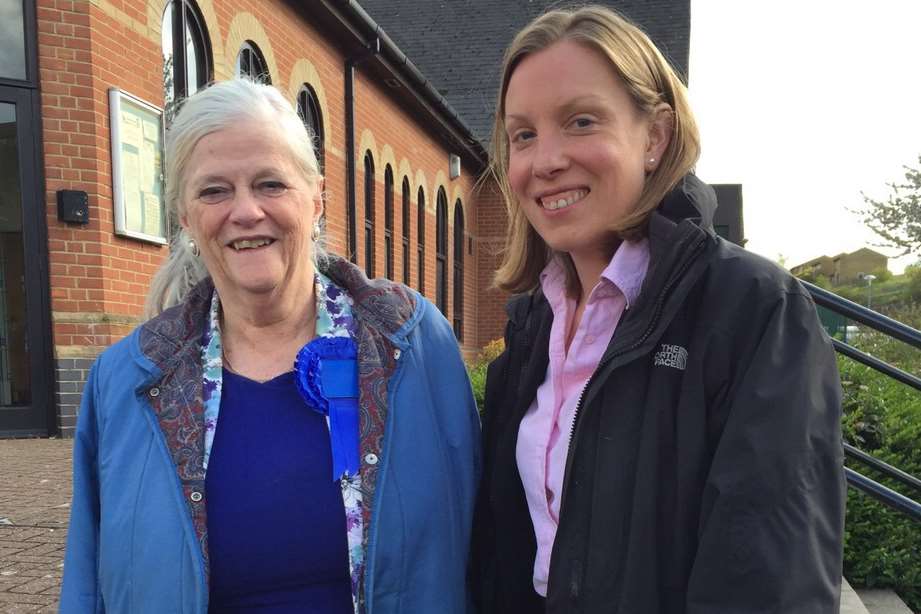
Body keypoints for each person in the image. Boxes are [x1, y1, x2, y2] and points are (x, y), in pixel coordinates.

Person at [471, 6, 845, 613]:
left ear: (657, 137)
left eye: (581, 121)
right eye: (524, 135)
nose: (545, 161)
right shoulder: (533, 324)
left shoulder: (753, 312)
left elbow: (766, 583)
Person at [59, 78, 480, 613]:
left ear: (317, 198)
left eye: (270, 184)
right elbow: (88, 583)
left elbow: (482, 542)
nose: (246, 211)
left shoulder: (412, 344)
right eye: (214, 190)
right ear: (186, 217)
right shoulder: (128, 379)